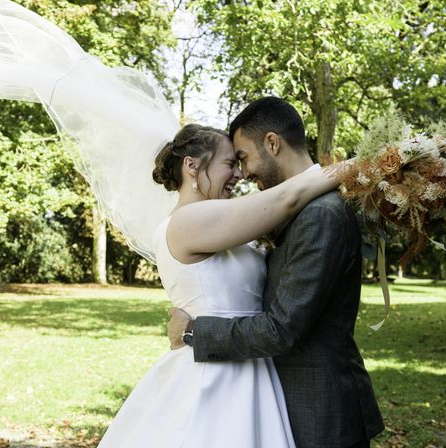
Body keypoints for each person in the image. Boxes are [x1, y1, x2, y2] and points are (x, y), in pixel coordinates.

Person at [98, 122, 343, 447]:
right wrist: (364, 168)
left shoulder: (221, 221)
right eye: (229, 163)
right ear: (192, 165)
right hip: (215, 377)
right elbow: (287, 199)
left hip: (251, 363)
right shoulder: (187, 222)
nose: (240, 174)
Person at [167, 97, 385, 447]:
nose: (243, 172)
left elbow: (283, 328)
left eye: (243, 157)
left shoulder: (320, 215)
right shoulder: (296, 210)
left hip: (321, 413)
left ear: (272, 143)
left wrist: (194, 332)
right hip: (284, 403)